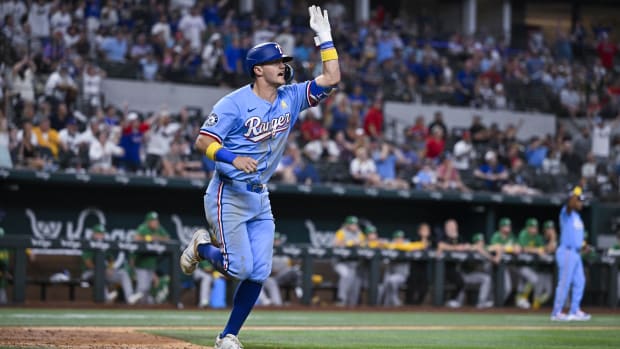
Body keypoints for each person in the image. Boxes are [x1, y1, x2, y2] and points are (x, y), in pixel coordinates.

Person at [179, 6, 340, 349]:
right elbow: (202, 141)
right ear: (258, 69)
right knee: (238, 268)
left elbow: (331, 79)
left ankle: (228, 336)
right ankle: (202, 247)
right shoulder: (233, 103)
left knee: (259, 271)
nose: (284, 66)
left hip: (260, 196)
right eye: (277, 62)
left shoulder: (291, 96)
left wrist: (324, 39)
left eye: (284, 61)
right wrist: (232, 157)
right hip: (229, 192)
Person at [551, 186, 591, 321]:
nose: (581, 203)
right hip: (566, 251)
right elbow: (569, 204)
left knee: (580, 281)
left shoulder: (577, 217)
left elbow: (577, 236)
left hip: (576, 252)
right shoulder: (566, 212)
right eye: (579, 201)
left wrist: (584, 246)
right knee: (564, 283)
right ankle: (556, 312)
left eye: (581, 201)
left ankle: (575, 310)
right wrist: (575, 194)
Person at [80, 224, 143, 304]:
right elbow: (88, 263)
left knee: (123, 274)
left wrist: (110, 268)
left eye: (102, 234)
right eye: (99, 233)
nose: (101, 236)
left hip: (104, 272)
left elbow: (110, 259)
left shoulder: (104, 244)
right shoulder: (88, 244)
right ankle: (106, 298)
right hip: (88, 273)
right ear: (93, 234)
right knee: (100, 274)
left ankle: (129, 297)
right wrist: (103, 270)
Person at [132, 211, 170, 304]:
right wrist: (149, 238)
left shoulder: (159, 228)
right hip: (141, 263)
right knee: (142, 287)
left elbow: (167, 238)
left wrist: (157, 238)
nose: (155, 222)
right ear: (148, 221)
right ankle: (135, 306)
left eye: (156, 220)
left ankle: (143, 305)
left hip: (151, 263)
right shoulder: (143, 228)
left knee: (147, 288)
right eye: (153, 220)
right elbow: (136, 239)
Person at [515, 218, 551, 310]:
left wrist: (540, 251)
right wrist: (536, 250)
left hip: (532, 265)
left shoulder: (538, 237)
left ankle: (520, 299)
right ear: (527, 228)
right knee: (533, 279)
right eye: (532, 227)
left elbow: (542, 249)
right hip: (521, 264)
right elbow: (523, 248)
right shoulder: (523, 234)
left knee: (525, 283)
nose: (534, 229)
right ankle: (522, 298)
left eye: (535, 227)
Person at [332, 216, 365, 307]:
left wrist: (358, 243)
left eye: (355, 224)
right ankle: (341, 299)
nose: (354, 226)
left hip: (353, 263)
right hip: (340, 262)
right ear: (347, 225)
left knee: (355, 281)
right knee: (345, 274)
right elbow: (336, 244)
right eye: (352, 224)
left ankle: (351, 304)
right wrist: (349, 243)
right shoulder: (341, 232)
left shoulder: (359, 233)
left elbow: (364, 244)